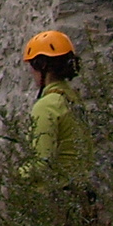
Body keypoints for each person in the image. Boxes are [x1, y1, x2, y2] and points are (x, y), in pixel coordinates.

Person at [21, 30, 91, 183]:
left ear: (42, 65)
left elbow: (42, 163)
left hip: (56, 195)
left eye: (32, 65)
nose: (31, 71)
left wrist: (14, 177)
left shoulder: (47, 106)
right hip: (80, 190)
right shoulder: (73, 99)